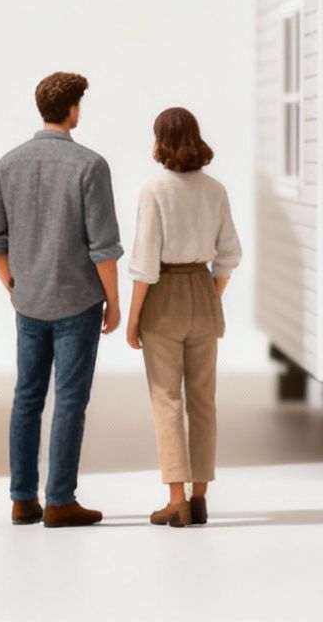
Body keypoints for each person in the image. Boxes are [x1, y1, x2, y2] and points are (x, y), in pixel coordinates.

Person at [0, 71, 122, 528]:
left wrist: (14, 285)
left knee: (26, 397)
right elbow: (103, 247)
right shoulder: (90, 165)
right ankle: (60, 500)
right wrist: (114, 303)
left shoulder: (9, 163)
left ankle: (22, 499)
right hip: (77, 302)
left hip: (29, 302)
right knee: (69, 400)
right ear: (73, 109)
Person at [125, 107, 241, 528]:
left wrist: (134, 318)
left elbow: (144, 263)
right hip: (202, 292)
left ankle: (176, 501)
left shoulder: (154, 190)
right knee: (203, 400)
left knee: (167, 400)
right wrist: (211, 294)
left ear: (160, 140)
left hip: (164, 296)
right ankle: (201, 495)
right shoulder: (215, 190)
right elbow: (229, 255)